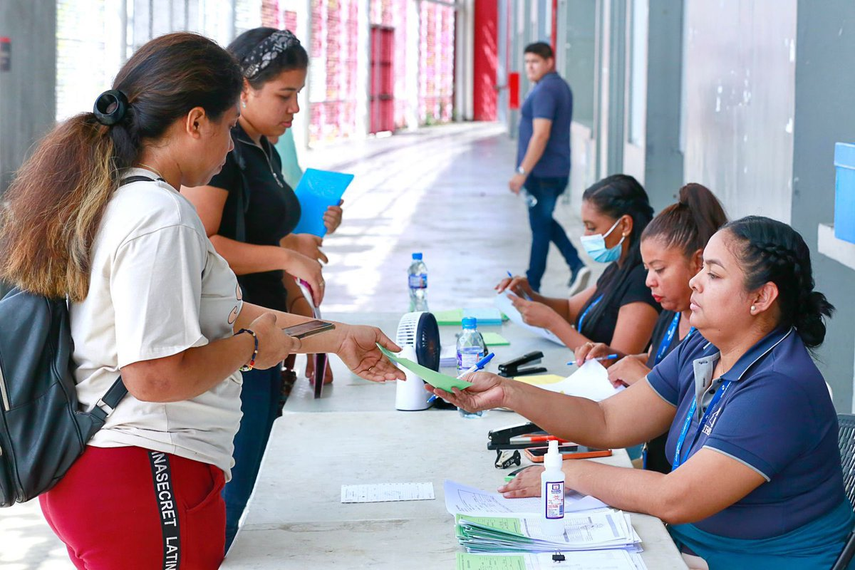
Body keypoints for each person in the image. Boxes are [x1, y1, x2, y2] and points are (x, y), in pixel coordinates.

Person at [0, 32, 402, 568]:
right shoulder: (157, 217)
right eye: (230, 125)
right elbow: (156, 376)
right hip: (144, 474)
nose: (232, 143)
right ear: (195, 122)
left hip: (132, 474)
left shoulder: (121, 198)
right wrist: (248, 347)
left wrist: (340, 336)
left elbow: (227, 313)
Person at [436, 216, 853, 569]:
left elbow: (676, 499)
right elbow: (608, 420)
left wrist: (567, 474)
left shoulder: (778, 388)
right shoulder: (706, 345)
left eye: (713, 273)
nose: (695, 282)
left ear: (761, 297)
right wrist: (508, 391)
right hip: (684, 544)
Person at [180, 27, 343, 551]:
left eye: (299, 93)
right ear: (243, 89)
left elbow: (264, 236)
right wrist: (285, 255)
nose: (295, 107)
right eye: (284, 94)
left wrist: (300, 300)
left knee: (253, 473)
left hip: (270, 327)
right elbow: (203, 242)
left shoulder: (264, 150)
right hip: (235, 333)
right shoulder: (223, 154)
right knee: (235, 484)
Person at [575, 183, 727, 473]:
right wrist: (617, 357)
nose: (649, 281)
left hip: (683, 478)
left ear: (697, 263)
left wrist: (644, 378)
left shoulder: (714, 336)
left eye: (659, 269)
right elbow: (668, 362)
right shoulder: (670, 315)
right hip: (654, 463)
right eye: (646, 269)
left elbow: (701, 416)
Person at [497, 174, 659, 355]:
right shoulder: (617, 268)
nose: (586, 235)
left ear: (625, 225)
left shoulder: (642, 283)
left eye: (592, 227)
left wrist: (552, 322)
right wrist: (528, 295)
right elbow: (570, 309)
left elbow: (617, 363)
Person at [508, 41, 589, 295]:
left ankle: (533, 286)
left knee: (540, 229)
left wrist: (522, 172)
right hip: (554, 170)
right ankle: (574, 265)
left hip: (541, 174)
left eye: (535, 62)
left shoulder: (545, 91)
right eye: (527, 62)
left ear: (549, 62)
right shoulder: (559, 86)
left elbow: (540, 135)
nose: (530, 67)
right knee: (543, 223)